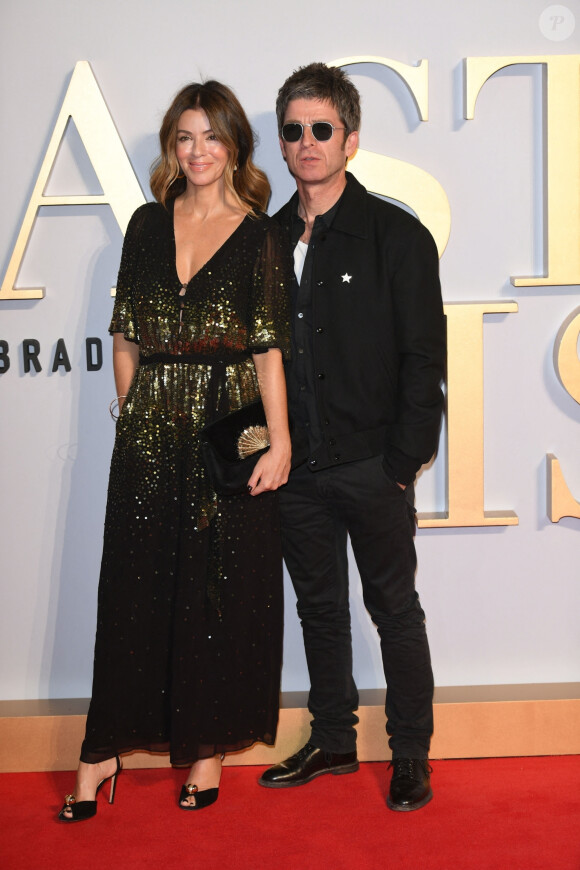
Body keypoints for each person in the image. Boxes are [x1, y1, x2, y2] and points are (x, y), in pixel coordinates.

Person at [58, 80, 292, 821]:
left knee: (221, 587)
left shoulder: (257, 236)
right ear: (171, 148)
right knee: (135, 588)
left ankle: (208, 748)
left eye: (211, 137)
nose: (197, 152)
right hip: (154, 427)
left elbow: (267, 351)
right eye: (184, 138)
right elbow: (125, 333)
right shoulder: (144, 225)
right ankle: (100, 754)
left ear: (234, 149)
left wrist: (278, 440)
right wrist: (135, 413)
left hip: (234, 417)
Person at [258, 63, 446, 811]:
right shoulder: (266, 240)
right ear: (282, 141)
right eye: (295, 130)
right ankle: (334, 739)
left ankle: (409, 754)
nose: (308, 143)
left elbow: (423, 358)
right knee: (319, 609)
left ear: (351, 139)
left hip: (374, 466)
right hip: (295, 468)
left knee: (394, 611)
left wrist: (403, 460)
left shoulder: (396, 236)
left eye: (322, 129)